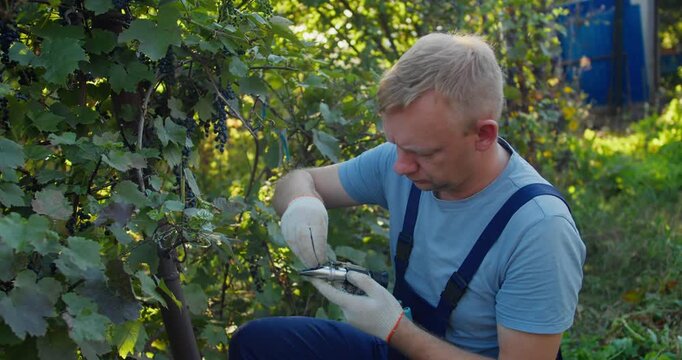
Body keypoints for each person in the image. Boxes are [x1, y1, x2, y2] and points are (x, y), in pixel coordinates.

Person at [229, 32, 586, 360]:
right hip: (404, 350)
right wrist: (300, 203)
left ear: (483, 135)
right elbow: (298, 180)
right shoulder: (401, 162)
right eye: (395, 144)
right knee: (258, 344)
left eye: (423, 153)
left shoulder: (539, 229)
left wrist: (395, 328)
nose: (400, 166)